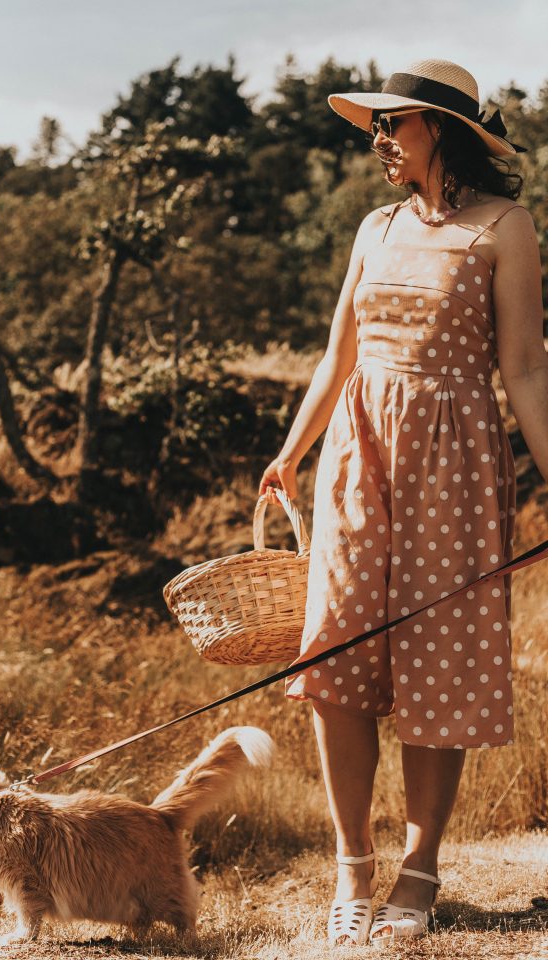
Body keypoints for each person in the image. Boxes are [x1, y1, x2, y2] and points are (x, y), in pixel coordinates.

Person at [258, 58, 547, 947]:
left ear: (442, 131)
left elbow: (525, 369)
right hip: (359, 454)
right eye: (376, 125)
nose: (379, 140)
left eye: (396, 124)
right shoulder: (375, 228)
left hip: (454, 462)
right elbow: (337, 354)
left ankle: (419, 871)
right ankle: (355, 868)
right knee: (334, 659)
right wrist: (289, 453)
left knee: (440, 660)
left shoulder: (505, 226)